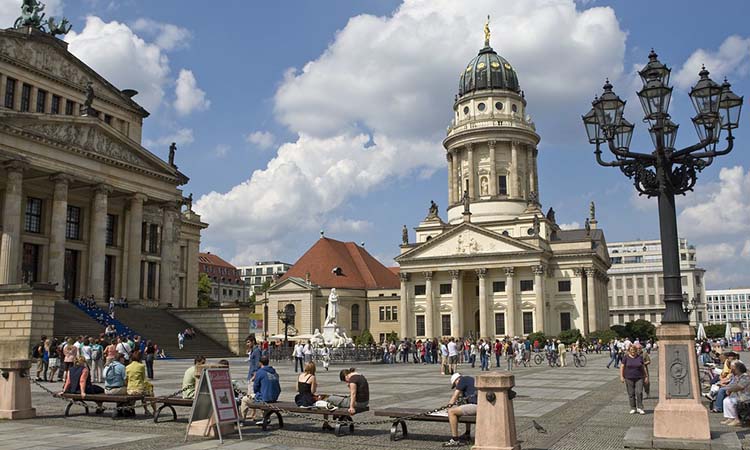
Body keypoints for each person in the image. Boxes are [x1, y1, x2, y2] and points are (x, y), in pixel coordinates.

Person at [444, 372, 477, 447]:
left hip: (476, 406)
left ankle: (455, 439)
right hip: (478, 405)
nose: (456, 387)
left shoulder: (462, 380)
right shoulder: (469, 379)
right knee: (465, 407)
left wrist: (448, 407)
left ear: (457, 380)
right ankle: (467, 433)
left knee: (451, 412)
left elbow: (455, 396)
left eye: (455, 385)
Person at [620, 344, 647, 414]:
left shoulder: (640, 357)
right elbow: (622, 367)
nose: (633, 351)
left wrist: (646, 376)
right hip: (629, 378)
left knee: (639, 392)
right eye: (631, 350)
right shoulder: (626, 357)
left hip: (639, 377)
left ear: (636, 350)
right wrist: (621, 376)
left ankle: (640, 407)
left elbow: (643, 367)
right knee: (631, 393)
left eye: (634, 350)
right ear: (629, 351)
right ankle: (633, 407)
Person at [722, 361, 750, 426]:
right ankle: (730, 418)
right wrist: (726, 387)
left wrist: (730, 390)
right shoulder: (737, 377)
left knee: (730, 401)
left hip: (746, 396)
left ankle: (737, 419)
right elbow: (733, 385)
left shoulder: (746, 377)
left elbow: (740, 387)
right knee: (726, 400)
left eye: (733, 368)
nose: (732, 370)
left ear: (738, 369)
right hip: (739, 395)